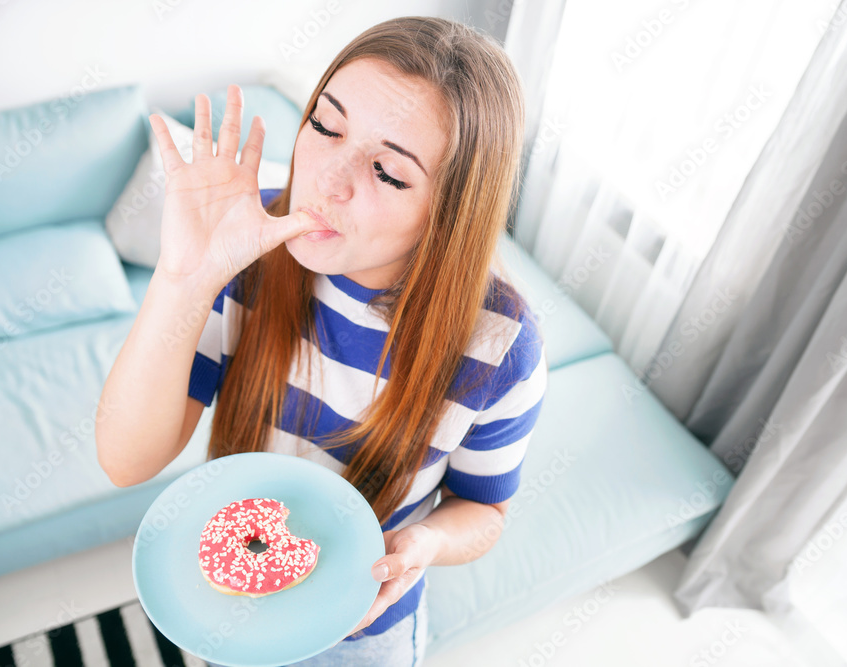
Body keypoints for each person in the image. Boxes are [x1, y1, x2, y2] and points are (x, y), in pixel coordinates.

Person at [96, 15, 547, 667]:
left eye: (388, 173)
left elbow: (484, 510)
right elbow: (124, 460)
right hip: (235, 607)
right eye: (325, 126)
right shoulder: (252, 242)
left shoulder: (500, 346)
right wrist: (182, 278)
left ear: (451, 211)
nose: (327, 183)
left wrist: (423, 543)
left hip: (363, 633)